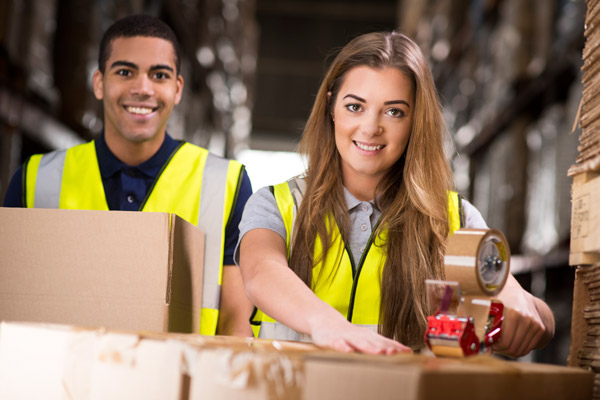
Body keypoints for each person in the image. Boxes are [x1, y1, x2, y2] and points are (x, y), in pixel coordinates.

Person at [236, 31, 555, 357]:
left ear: (416, 119)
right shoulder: (276, 204)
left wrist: (518, 302)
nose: (371, 127)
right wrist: (328, 325)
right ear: (331, 106)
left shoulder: (453, 219)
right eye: (355, 106)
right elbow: (261, 271)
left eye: (394, 112)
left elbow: (535, 315)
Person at [3, 14, 254, 337]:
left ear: (177, 89)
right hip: (61, 383)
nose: (142, 88)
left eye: (159, 75)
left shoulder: (227, 184)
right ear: (99, 83)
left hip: (178, 381)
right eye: (125, 72)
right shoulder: (35, 180)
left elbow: (236, 322)